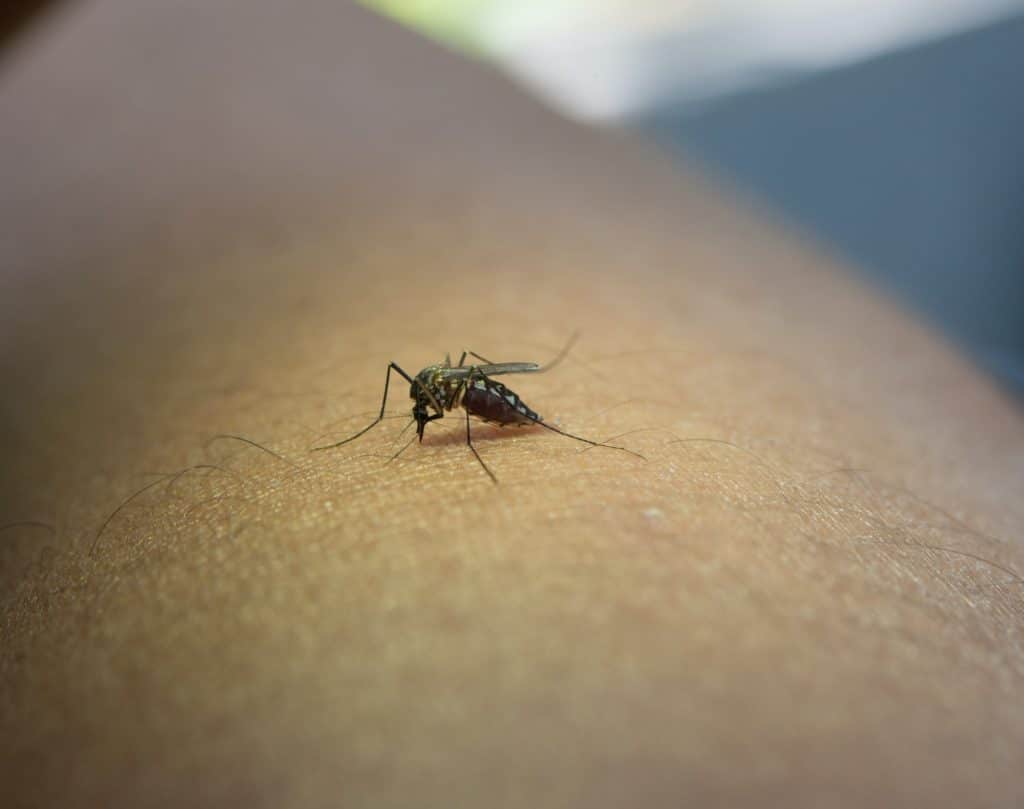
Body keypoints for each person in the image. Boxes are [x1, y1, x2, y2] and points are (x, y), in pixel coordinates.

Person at [2, 2, 1022, 806]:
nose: (425, 411)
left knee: (457, 369)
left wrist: (496, 407)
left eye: (419, 410)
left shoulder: (452, 397)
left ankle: (540, 407)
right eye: (424, 411)